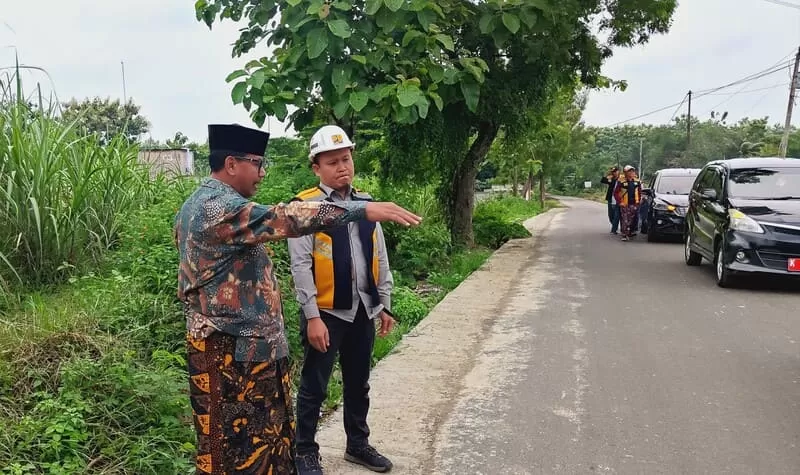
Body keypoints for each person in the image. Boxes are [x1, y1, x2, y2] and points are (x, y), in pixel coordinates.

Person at [174, 123, 421, 475]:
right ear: (231, 164)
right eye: (257, 165)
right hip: (231, 353)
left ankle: (352, 443)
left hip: (247, 350)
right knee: (237, 446)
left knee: (258, 441)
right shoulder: (217, 207)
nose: (261, 174)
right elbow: (284, 218)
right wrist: (360, 210)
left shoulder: (201, 203)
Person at [288, 125, 395, 475]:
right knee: (314, 384)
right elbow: (301, 265)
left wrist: (384, 302)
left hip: (363, 308)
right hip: (326, 312)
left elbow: (379, 255)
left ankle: (358, 444)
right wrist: (312, 316)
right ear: (316, 167)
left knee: (358, 382)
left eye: (346, 159)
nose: (342, 167)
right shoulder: (304, 208)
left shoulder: (366, 204)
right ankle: (304, 451)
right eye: (332, 162)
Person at [613, 165, 642, 242]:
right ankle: (624, 234)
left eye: (633, 171)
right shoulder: (621, 181)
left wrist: (639, 201)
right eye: (630, 171)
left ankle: (629, 232)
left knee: (631, 219)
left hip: (634, 203)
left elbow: (639, 192)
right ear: (625, 172)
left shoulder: (637, 181)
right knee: (625, 219)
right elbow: (615, 193)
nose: (632, 173)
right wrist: (620, 202)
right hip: (624, 203)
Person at [600, 166, 620, 234]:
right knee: (610, 215)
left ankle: (614, 229)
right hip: (610, 199)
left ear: (618, 171)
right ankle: (614, 226)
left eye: (615, 171)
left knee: (616, 215)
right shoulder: (611, 179)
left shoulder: (621, 179)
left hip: (618, 199)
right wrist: (608, 174)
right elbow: (603, 180)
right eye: (613, 172)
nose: (614, 173)